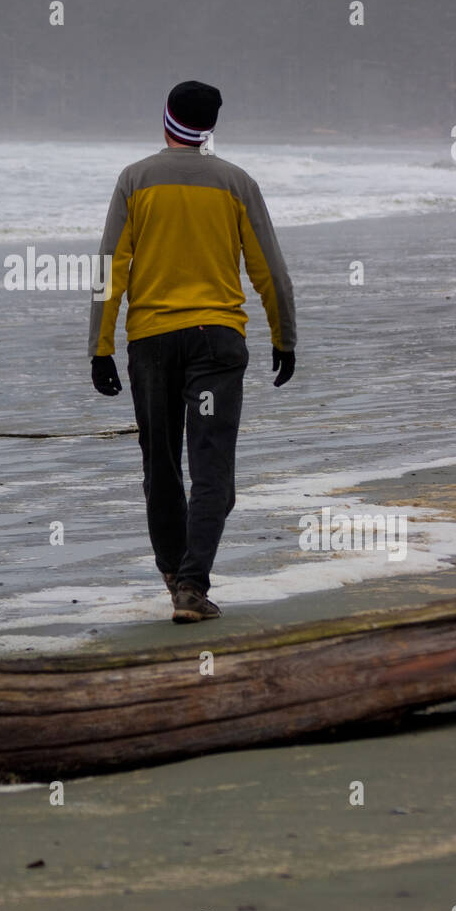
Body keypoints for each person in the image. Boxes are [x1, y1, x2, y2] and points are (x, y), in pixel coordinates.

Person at [88, 81, 296, 624]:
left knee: (161, 464)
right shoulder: (237, 183)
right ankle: (192, 582)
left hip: (152, 345)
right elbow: (269, 270)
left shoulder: (134, 180)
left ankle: (172, 573)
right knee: (212, 467)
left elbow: (110, 267)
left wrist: (100, 346)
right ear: (209, 130)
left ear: (166, 121)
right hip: (216, 342)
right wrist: (284, 335)